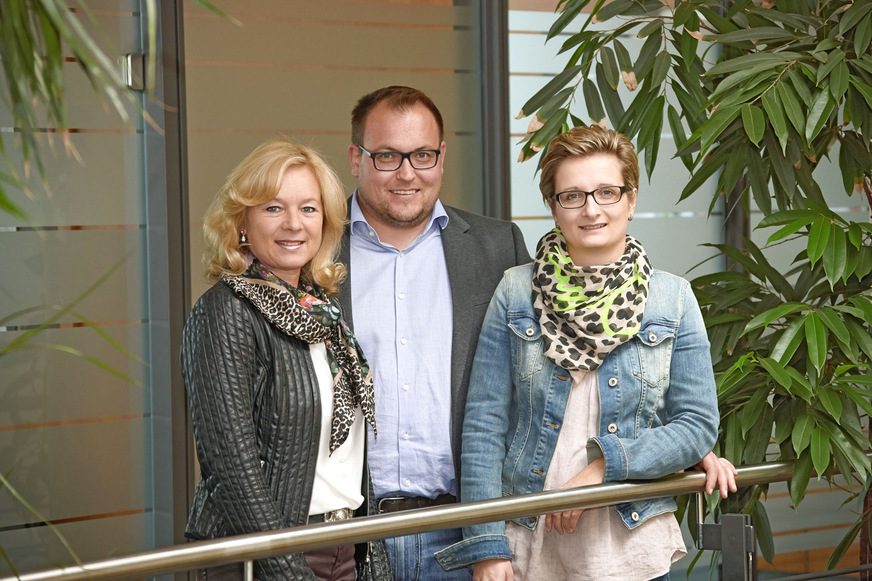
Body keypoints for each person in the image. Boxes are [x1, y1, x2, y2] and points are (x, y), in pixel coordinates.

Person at [435, 126, 735, 581]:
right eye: (572, 196)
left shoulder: (672, 299)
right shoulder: (516, 291)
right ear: (554, 208)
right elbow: (484, 425)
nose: (591, 209)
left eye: (607, 193)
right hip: (528, 534)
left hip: (628, 538)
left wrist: (602, 470)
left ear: (630, 201)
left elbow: (696, 426)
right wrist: (486, 545)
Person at [334, 85, 531, 580]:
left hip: (466, 534)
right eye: (387, 156)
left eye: (422, 154)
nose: (407, 173)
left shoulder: (495, 248)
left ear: (441, 156)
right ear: (356, 157)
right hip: (346, 540)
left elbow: (552, 368)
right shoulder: (311, 250)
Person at [181, 138, 391, 581]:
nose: (294, 224)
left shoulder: (323, 312)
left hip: (341, 548)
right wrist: (288, 570)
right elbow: (230, 465)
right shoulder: (226, 311)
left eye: (309, 209)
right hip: (261, 560)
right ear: (241, 222)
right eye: (273, 208)